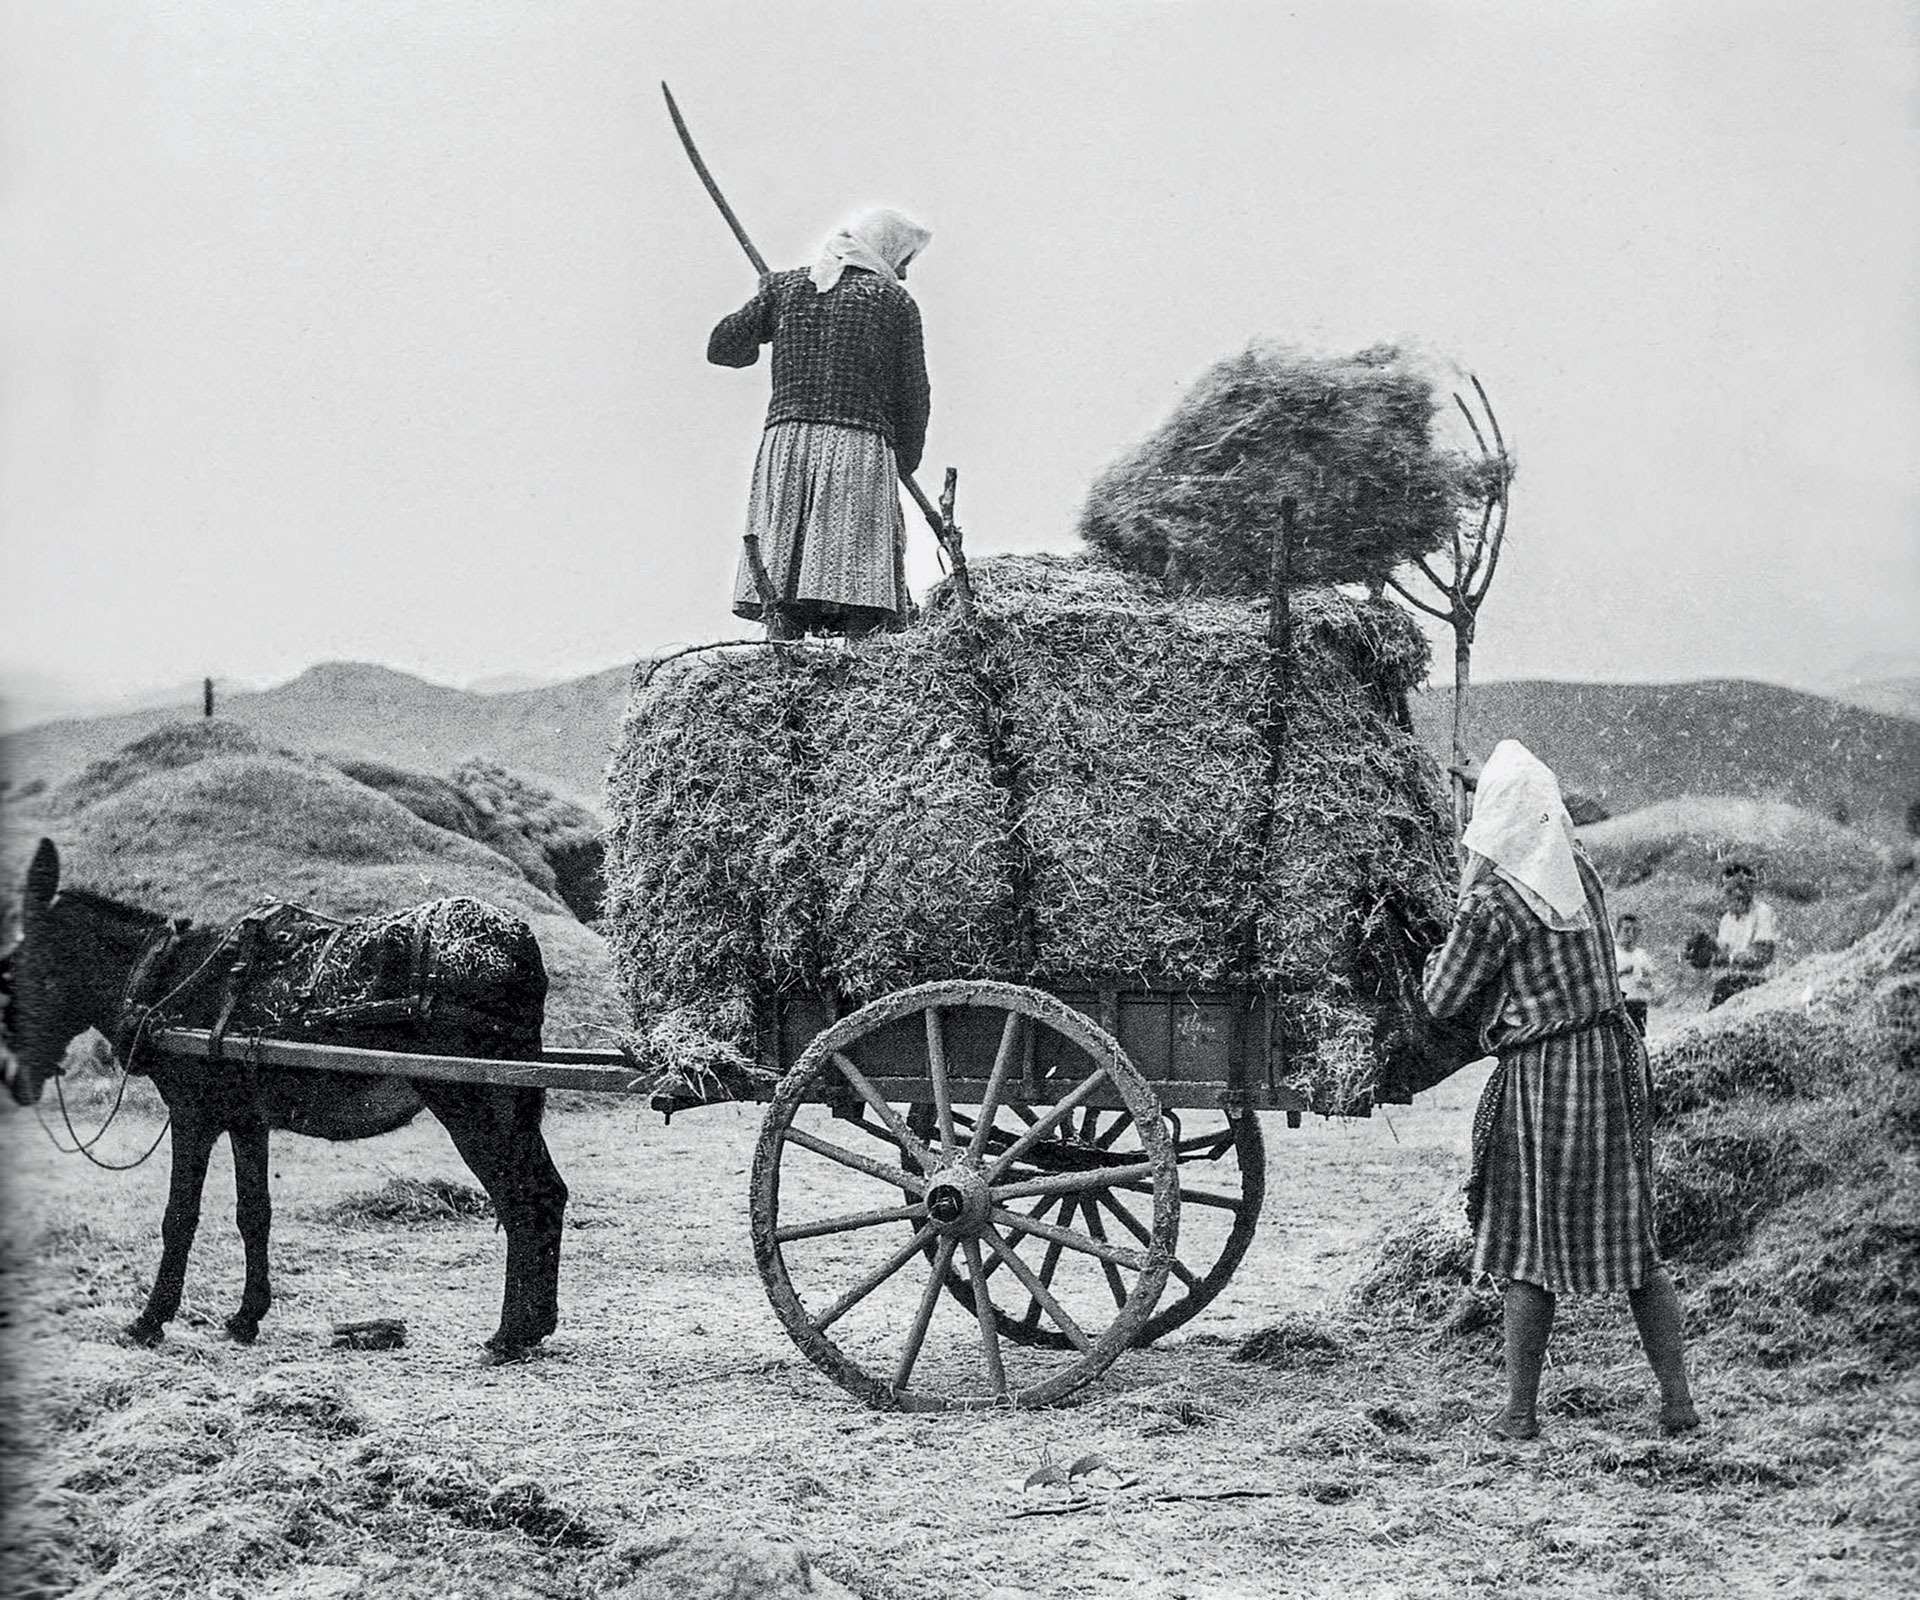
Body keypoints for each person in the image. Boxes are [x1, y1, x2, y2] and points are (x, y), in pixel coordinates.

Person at [1425, 740, 1699, 1442]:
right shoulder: (1580, 872)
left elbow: (1440, 998)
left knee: (1525, 1240)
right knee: (1634, 1239)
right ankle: (1677, 1403)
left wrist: (1436, 946)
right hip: (1613, 1058)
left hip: (1549, 1072)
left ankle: (1519, 1413)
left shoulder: (1493, 904)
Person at [707, 207, 932, 640]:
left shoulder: (788, 288)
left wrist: (765, 301)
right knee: (859, 574)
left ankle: (783, 659)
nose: (902, 274)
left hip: (787, 445)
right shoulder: (893, 302)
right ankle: (864, 666)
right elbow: (913, 392)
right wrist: (904, 458)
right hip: (859, 446)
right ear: (883, 252)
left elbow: (724, 347)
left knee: (786, 566)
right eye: (903, 261)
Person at [1707, 861, 1777, 1009]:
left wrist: (1729, 958)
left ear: (1751, 889)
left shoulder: (1762, 912)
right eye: (1730, 890)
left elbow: (1762, 955)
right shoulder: (1726, 919)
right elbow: (1722, 955)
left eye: (1742, 888)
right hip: (1731, 982)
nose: (1737, 894)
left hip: (1758, 982)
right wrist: (1711, 955)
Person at [1613, 912, 1656, 1035]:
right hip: (1619, 1005)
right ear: (1618, 931)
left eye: (1635, 931)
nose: (1631, 935)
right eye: (1626, 930)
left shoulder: (1641, 955)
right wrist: (1622, 972)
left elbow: (1651, 981)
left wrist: (1646, 982)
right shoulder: (1613, 954)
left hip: (1638, 1003)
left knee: (1639, 1039)